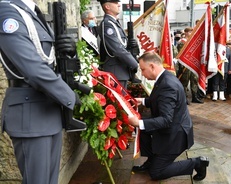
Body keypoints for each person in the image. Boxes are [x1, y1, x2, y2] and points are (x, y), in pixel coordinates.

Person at [0, 0, 81, 183]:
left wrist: (70, 52)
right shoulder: (7, 12)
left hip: (48, 110)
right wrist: (68, 95)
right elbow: (33, 69)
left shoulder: (33, 13)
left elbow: (51, 59)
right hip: (30, 115)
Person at [128, 51, 209, 181]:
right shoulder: (164, 77)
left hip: (176, 134)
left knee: (157, 173)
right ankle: (151, 160)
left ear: (152, 66)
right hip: (171, 126)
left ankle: (197, 163)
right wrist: (142, 101)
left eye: (143, 69)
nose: (142, 73)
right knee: (144, 129)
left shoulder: (167, 85)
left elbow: (166, 120)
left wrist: (138, 123)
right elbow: (159, 99)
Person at [97, 0, 140, 89]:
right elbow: (117, 49)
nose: (119, 5)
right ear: (107, 7)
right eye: (115, 3)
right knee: (119, 101)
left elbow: (122, 44)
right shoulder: (107, 24)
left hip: (121, 71)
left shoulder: (114, 23)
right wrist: (134, 64)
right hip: (116, 72)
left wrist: (131, 45)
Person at [176, 27, 203, 104]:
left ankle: (195, 96)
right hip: (185, 65)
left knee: (194, 80)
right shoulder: (182, 42)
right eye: (190, 32)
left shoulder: (192, 41)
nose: (191, 33)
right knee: (184, 81)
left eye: (192, 32)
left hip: (193, 64)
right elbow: (181, 54)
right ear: (186, 33)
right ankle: (184, 98)